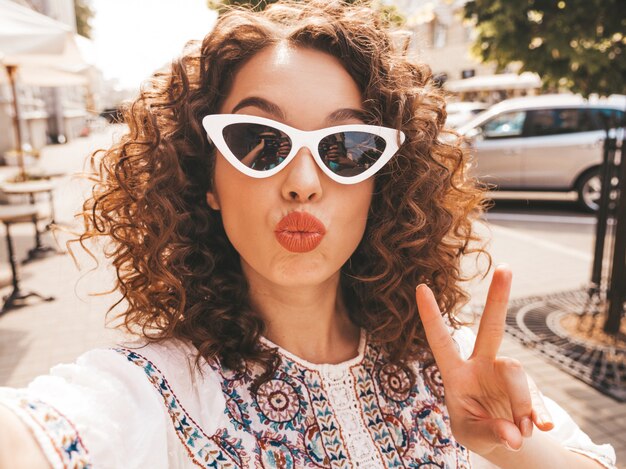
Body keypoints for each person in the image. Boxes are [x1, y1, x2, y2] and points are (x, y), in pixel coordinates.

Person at [0, 1, 617, 468]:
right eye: (258, 143)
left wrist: (512, 447)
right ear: (206, 178)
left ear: (383, 183)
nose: (302, 182)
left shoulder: (457, 366)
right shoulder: (152, 389)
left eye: (346, 148)